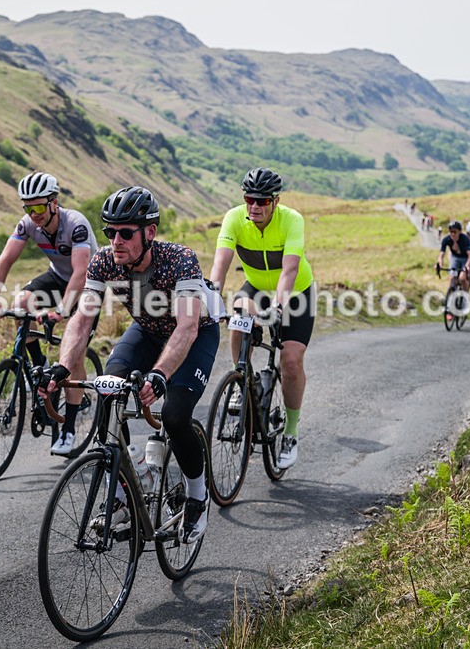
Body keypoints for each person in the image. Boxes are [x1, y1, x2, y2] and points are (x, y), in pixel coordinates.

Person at [40, 186, 221, 543]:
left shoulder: (179, 259)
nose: (115, 240)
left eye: (125, 232)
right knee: (109, 391)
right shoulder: (104, 261)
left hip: (195, 335)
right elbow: (82, 318)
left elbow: (186, 326)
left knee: (174, 415)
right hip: (148, 329)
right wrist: (62, 366)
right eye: (109, 232)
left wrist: (161, 374)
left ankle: (198, 495)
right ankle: (123, 490)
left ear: (149, 232)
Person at [0, 171, 98, 456]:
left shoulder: (76, 225)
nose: (33, 213)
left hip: (90, 284)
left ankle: (69, 429)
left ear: (53, 203)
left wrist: (61, 310)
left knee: (73, 353)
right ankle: (38, 363)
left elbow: (81, 273)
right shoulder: (27, 224)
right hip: (57, 276)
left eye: (38, 207)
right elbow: (5, 259)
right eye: (27, 207)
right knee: (22, 301)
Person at [209, 168, 315, 470]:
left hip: (295, 294)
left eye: (262, 201)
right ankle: (242, 380)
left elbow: (290, 271)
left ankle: (291, 433)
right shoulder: (234, 218)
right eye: (249, 199)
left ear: (275, 201)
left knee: (291, 361)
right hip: (256, 287)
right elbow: (221, 263)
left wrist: (280, 306)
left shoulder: (292, 220)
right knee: (238, 316)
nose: (254, 206)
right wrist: (213, 295)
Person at [436, 220, 470, 292]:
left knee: (462, 278)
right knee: (452, 278)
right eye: (451, 232)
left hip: (465, 258)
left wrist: (467, 266)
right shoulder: (446, 239)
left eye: (455, 232)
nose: (452, 234)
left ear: (459, 232)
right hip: (455, 257)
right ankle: (450, 296)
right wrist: (439, 264)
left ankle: (465, 295)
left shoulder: (465, 239)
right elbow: (441, 254)